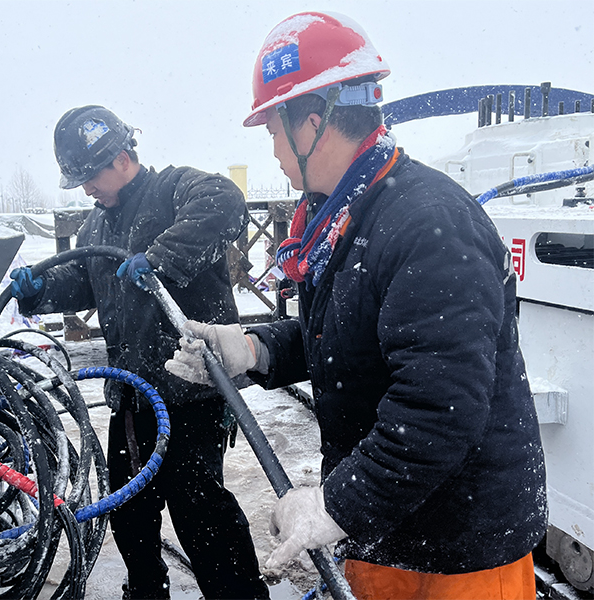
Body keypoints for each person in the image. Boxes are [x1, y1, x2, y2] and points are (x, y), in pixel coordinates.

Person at [165, 12, 547, 600]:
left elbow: (439, 411)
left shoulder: (428, 224)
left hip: (460, 549)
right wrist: (252, 349)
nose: (273, 149)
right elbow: (346, 337)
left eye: (274, 131)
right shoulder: (346, 215)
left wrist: (334, 507)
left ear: (312, 123)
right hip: (387, 531)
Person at [9, 105, 269, 600]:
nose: (86, 188)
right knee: (128, 511)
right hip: (132, 396)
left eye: (90, 176)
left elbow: (226, 203)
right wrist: (41, 289)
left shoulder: (174, 190)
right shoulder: (95, 229)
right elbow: (83, 279)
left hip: (191, 391)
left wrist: (161, 258)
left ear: (122, 158)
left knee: (199, 511)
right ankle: (147, 591)